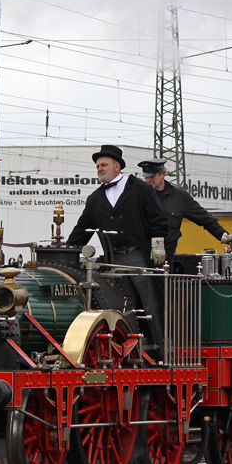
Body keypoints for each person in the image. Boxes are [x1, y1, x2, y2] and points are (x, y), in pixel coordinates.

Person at [66, 144, 168, 355]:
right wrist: (65, 250)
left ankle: (161, 351)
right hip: (113, 259)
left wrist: (157, 246)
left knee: (151, 305)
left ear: (117, 166)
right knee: (124, 307)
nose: (99, 169)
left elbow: (158, 219)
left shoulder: (141, 188)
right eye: (97, 166)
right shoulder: (95, 199)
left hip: (138, 254)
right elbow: (83, 229)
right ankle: (132, 352)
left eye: (103, 165)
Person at [137, 158, 232, 254]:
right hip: (140, 255)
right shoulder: (138, 195)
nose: (148, 180)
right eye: (146, 177)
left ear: (163, 174)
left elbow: (204, 218)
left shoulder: (179, 197)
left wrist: (223, 235)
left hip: (167, 256)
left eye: (152, 176)